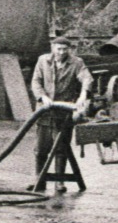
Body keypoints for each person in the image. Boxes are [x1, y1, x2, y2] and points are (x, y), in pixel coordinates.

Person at [28, 34, 94, 192]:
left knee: (61, 148)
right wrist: (43, 97)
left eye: (65, 49)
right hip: (44, 111)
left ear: (69, 50)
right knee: (40, 148)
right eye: (59, 49)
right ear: (52, 48)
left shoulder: (77, 62)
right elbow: (36, 81)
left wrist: (83, 95)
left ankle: (59, 182)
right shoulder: (43, 60)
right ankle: (39, 180)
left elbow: (87, 78)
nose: (62, 52)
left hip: (64, 112)